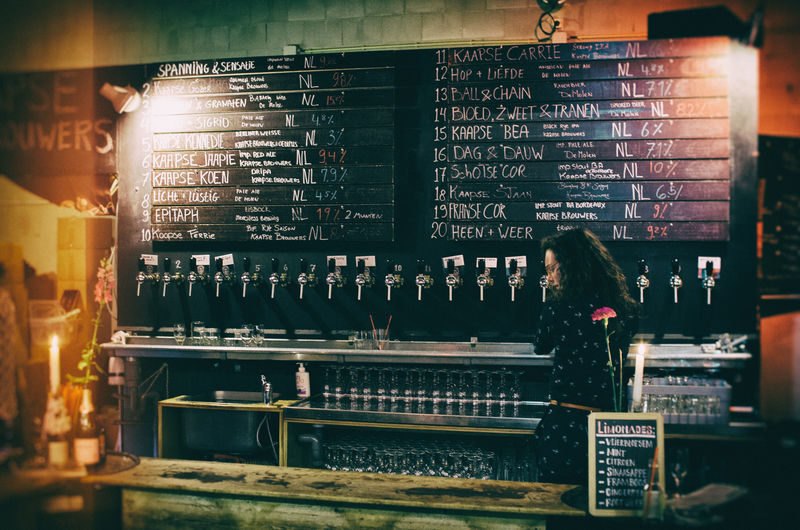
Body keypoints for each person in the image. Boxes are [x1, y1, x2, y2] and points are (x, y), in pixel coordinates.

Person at [533, 228, 639, 485]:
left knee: (559, 508)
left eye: (553, 268)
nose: (550, 278)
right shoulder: (623, 308)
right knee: (605, 511)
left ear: (571, 265)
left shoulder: (555, 310)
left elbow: (540, 346)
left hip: (566, 426)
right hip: (611, 426)